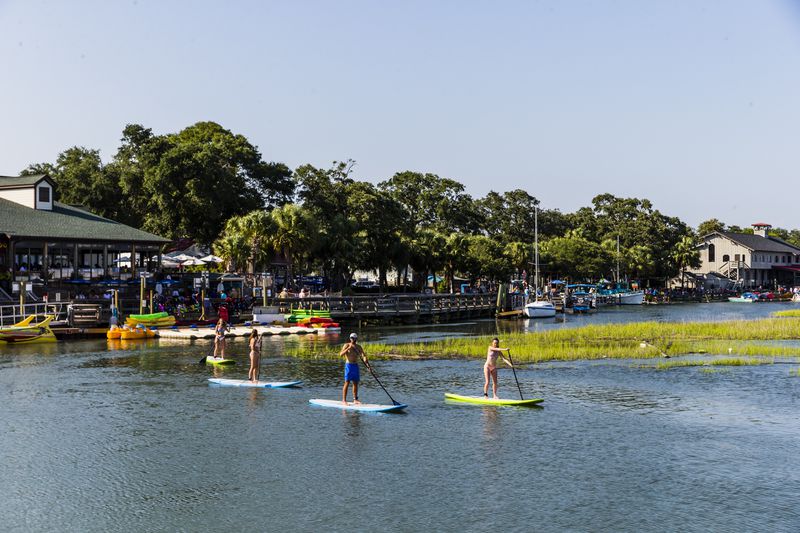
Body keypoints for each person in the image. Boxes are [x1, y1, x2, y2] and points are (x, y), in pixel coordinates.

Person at [339, 332, 370, 404]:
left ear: (356, 339)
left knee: (355, 383)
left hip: (355, 366)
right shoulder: (346, 345)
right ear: (350, 338)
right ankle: (344, 400)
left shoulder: (359, 347)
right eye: (351, 338)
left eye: (354, 338)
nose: (353, 339)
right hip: (348, 366)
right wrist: (348, 349)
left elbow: (363, 355)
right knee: (347, 382)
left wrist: (366, 362)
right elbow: (341, 354)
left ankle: (355, 399)